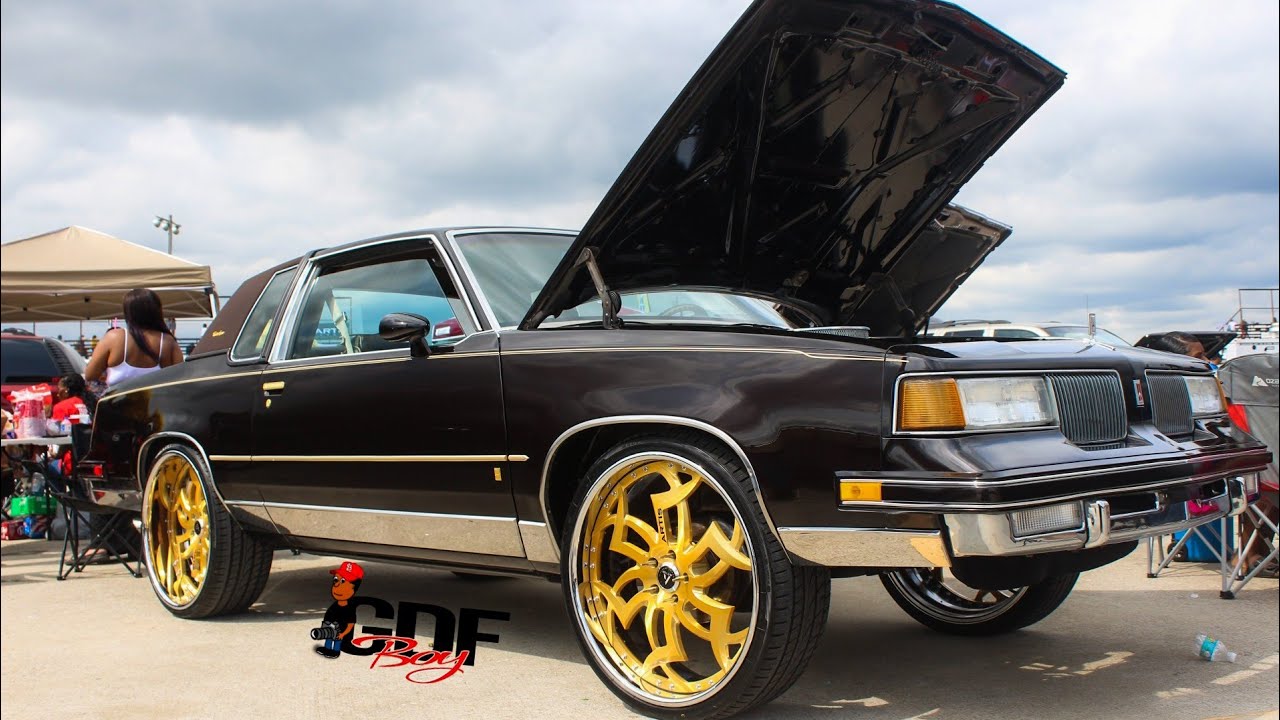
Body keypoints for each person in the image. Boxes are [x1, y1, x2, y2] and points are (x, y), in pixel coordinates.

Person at [84, 289, 183, 387]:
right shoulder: (168, 342)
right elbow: (181, 377)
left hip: (118, 401)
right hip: (156, 401)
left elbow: (90, 374)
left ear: (128, 312)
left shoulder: (114, 337)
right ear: (157, 311)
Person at [316, 561, 363, 659]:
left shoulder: (349, 609)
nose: (337, 585)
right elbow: (328, 616)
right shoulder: (334, 606)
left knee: (337, 642)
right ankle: (327, 649)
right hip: (330, 629)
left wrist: (343, 634)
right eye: (336, 580)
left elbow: (350, 624)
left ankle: (335, 652)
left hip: (339, 633)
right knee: (329, 639)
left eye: (343, 582)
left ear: (354, 589)